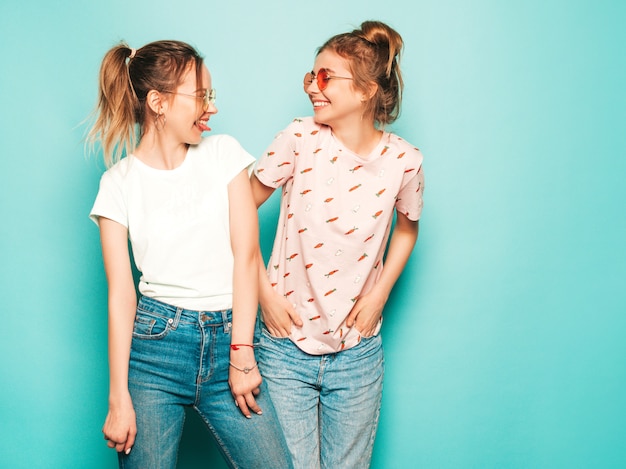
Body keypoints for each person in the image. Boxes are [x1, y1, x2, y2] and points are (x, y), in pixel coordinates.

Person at [87, 40, 292, 468]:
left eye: (210, 96)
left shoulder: (223, 155)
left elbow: (246, 254)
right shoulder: (118, 183)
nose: (210, 108)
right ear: (158, 102)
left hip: (229, 344)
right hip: (155, 352)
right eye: (201, 96)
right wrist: (118, 397)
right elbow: (121, 295)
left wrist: (241, 352)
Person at [251, 21, 425, 468]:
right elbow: (237, 210)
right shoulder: (298, 138)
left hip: (358, 354)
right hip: (284, 345)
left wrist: (380, 292)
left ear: (367, 91)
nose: (313, 86)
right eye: (311, 75)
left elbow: (408, 228)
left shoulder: (404, 161)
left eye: (326, 76)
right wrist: (263, 293)